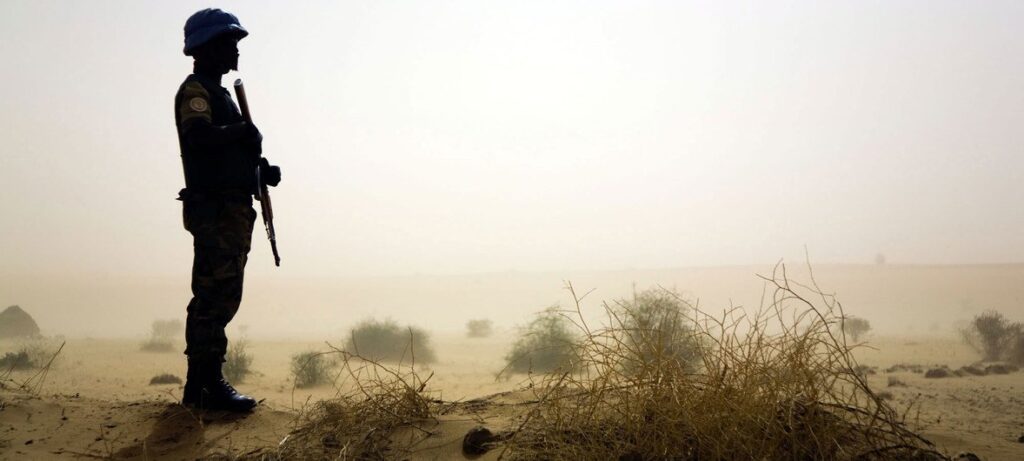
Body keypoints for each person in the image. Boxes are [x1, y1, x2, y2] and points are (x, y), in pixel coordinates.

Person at [174, 8, 281, 412]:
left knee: (222, 296)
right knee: (213, 299)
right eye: (228, 43)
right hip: (216, 212)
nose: (235, 51)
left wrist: (260, 170)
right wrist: (240, 132)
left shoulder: (218, 95)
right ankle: (205, 385)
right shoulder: (197, 92)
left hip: (231, 211)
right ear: (206, 47)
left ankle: (203, 385)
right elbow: (198, 137)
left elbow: (227, 152)